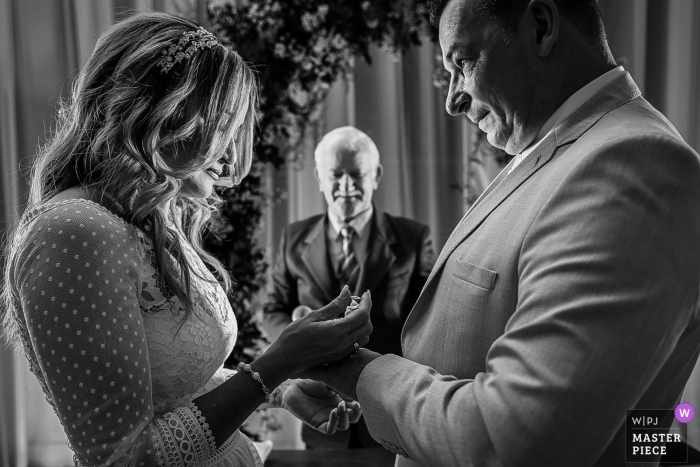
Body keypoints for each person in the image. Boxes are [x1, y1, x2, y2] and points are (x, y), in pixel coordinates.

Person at [302, 0, 700, 465]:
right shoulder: (556, 148)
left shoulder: (634, 166)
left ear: (541, 25)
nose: (452, 99)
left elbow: (513, 440)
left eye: (463, 62)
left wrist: (356, 373)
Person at [0, 12, 373, 467]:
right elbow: (125, 459)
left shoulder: (149, 220)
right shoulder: (72, 233)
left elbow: (175, 385)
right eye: (222, 125)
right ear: (161, 114)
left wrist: (281, 388)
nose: (233, 155)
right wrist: (274, 364)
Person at [262, 126, 435, 449]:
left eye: (356, 174)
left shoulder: (413, 238)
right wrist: (299, 337)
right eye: (335, 175)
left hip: (391, 410)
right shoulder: (293, 238)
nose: (345, 186)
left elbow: (430, 320)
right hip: (321, 412)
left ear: (376, 175)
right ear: (319, 176)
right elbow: (274, 309)